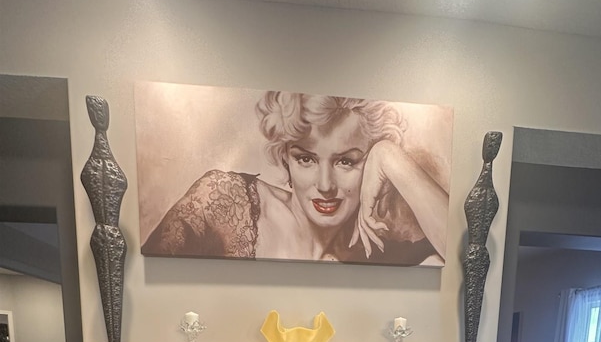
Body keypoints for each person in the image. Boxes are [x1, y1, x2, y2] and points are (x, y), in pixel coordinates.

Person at [142, 91, 448, 266]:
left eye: (346, 161)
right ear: (285, 158)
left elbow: (464, 259)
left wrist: (388, 155)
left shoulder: (382, 249)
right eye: (306, 159)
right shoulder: (223, 200)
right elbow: (143, 276)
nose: (325, 185)